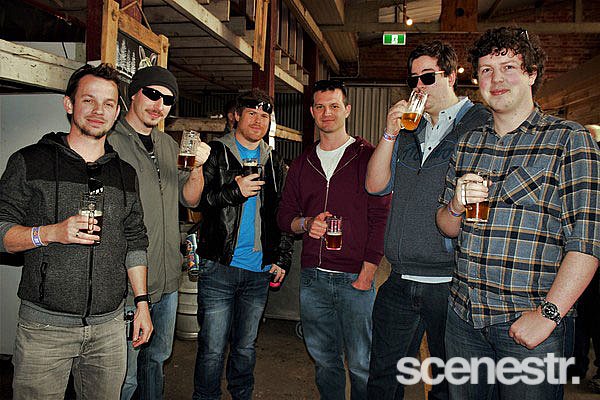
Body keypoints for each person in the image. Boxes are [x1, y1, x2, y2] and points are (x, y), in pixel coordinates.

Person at [435, 26, 600, 399]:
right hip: (463, 318)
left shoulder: (569, 141)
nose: (496, 79)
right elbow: (446, 227)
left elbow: (587, 244)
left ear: (531, 74)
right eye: (486, 70)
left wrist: (548, 315)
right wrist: (456, 205)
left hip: (528, 323)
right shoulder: (468, 144)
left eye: (508, 67)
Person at [0, 63, 152, 399]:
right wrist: (50, 233)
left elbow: (135, 240)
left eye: (108, 104)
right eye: (88, 100)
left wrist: (142, 303)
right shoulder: (29, 161)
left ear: (117, 112)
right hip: (45, 328)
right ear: (69, 104)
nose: (99, 111)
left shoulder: (125, 173)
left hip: (109, 327)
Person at [365, 41, 490, 400]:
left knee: (449, 386)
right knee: (382, 380)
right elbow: (375, 185)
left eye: (428, 77)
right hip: (400, 278)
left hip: (451, 282)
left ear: (450, 76)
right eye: (413, 79)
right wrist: (390, 132)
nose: (419, 86)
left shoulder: (479, 125)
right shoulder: (410, 129)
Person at [277, 79, 390, 399]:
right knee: (325, 362)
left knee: (361, 363)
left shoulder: (368, 157)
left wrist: (368, 271)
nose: (327, 113)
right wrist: (305, 223)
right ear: (312, 112)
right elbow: (284, 216)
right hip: (313, 279)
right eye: (320, 107)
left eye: (334, 106)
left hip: (355, 278)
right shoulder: (302, 164)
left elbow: (381, 217)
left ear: (347, 110)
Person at [108, 65, 210, 400]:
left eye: (168, 100)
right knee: (125, 375)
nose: (159, 105)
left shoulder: (168, 145)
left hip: (167, 280)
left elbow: (190, 199)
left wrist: (197, 168)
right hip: (128, 284)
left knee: (156, 361)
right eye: (152, 94)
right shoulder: (110, 142)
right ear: (132, 94)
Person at [192, 88, 294, 400]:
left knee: (246, 347)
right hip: (219, 267)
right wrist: (233, 192)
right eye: (251, 113)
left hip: (258, 271)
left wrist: (282, 257)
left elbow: (283, 213)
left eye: (264, 115)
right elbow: (198, 203)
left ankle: (242, 395)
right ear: (236, 116)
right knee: (212, 348)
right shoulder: (215, 153)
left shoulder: (274, 161)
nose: (258, 120)